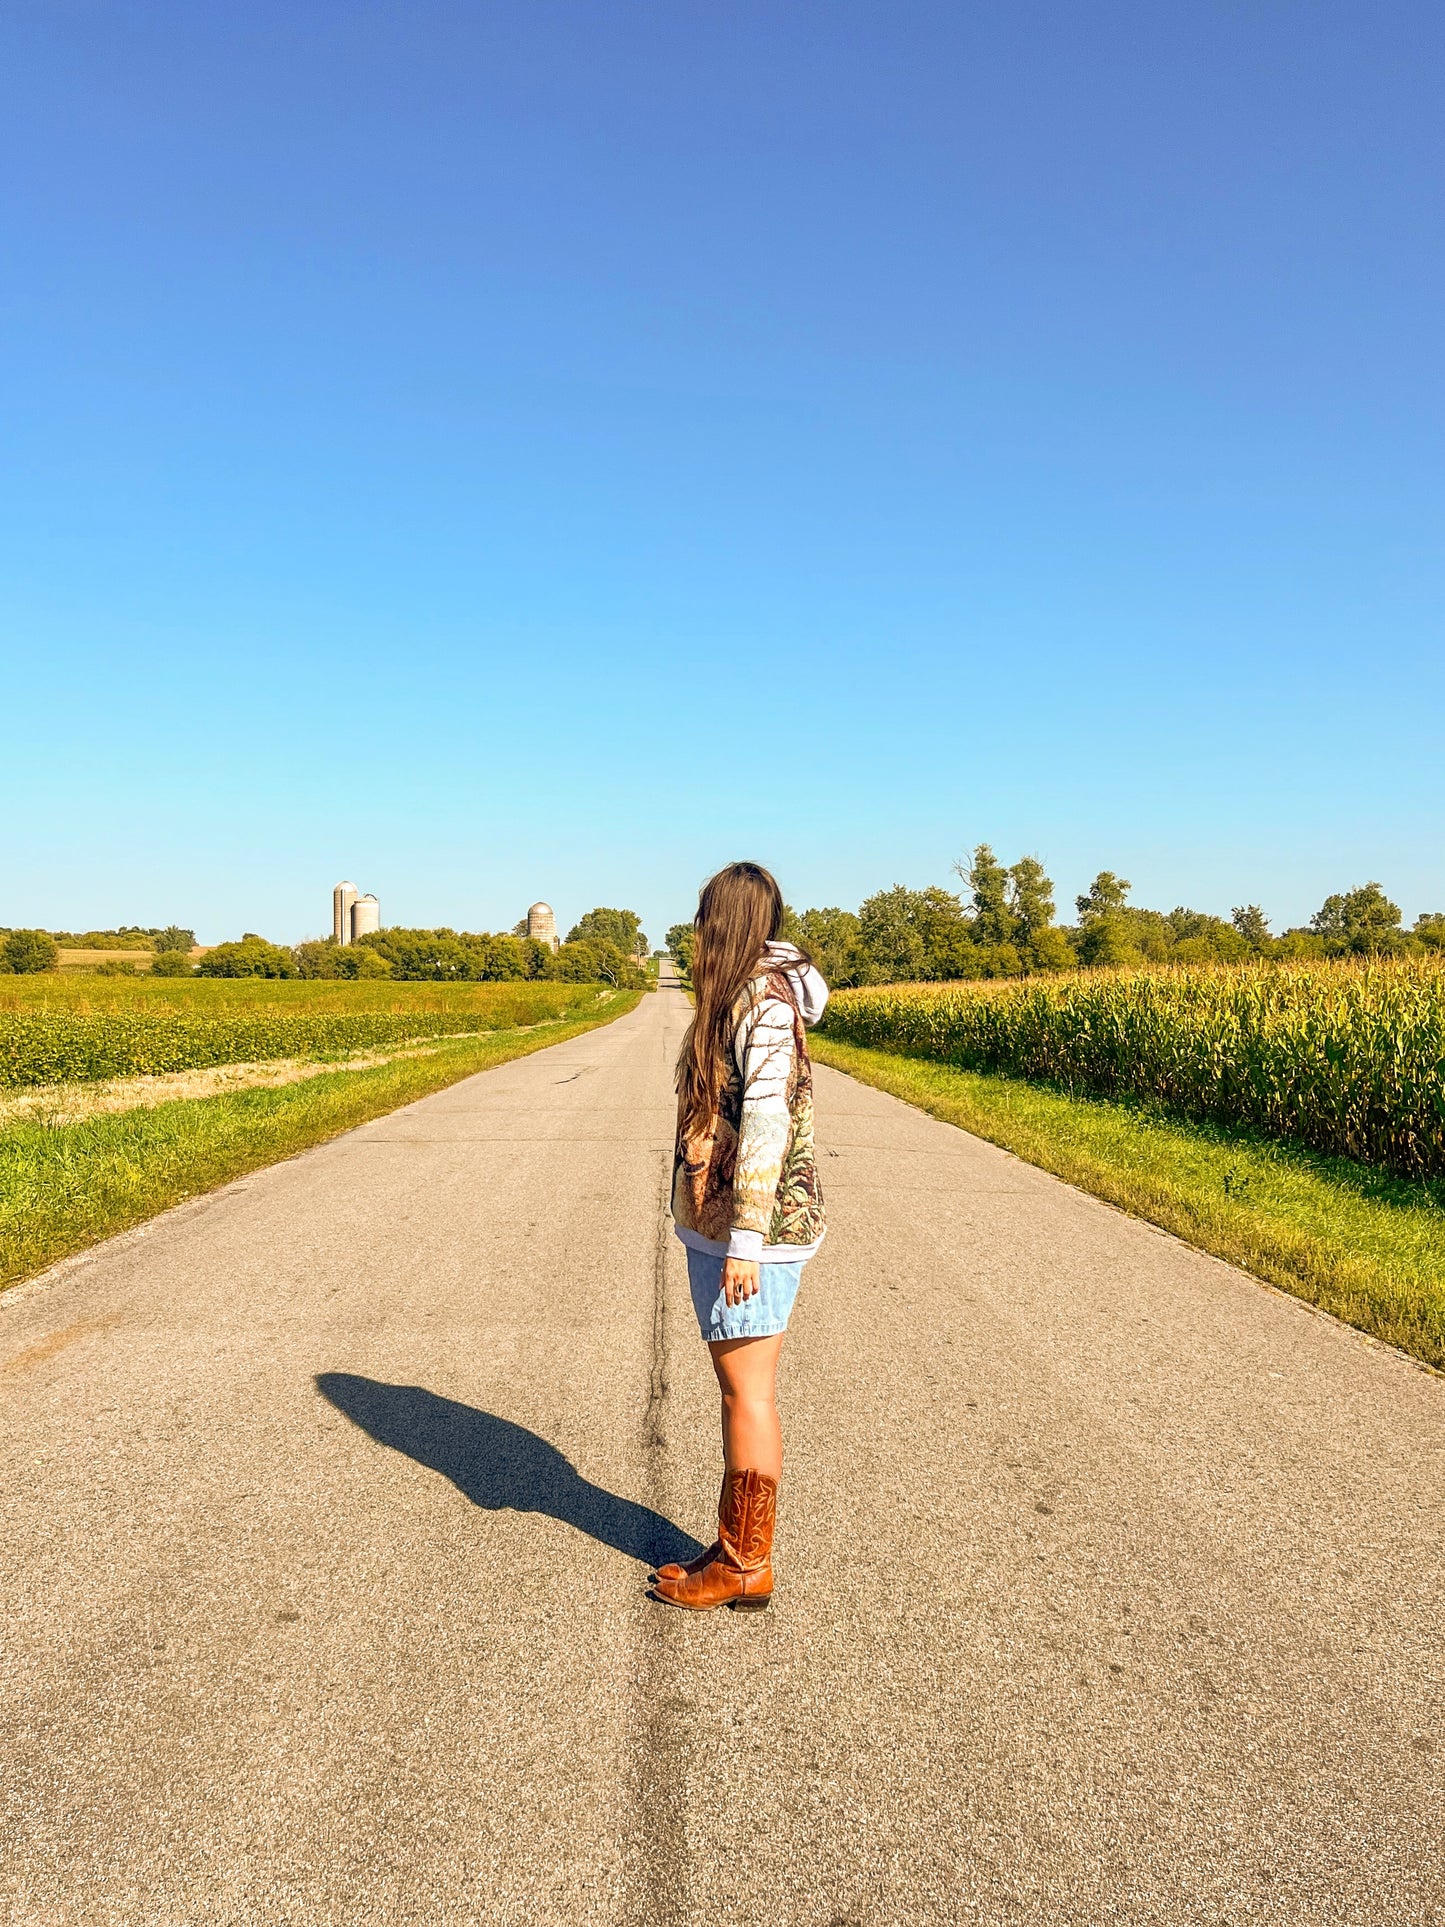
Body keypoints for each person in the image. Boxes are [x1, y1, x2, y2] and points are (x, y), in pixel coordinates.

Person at [652, 861, 828, 1612]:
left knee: (747, 1395)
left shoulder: (764, 1001)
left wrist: (747, 1241)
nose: (695, 930)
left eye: (702, 916)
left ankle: (747, 1564)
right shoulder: (743, 993)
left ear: (722, 921)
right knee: (739, 1392)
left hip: (749, 1232)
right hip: (725, 1224)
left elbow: (766, 1121)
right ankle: (733, 1545)